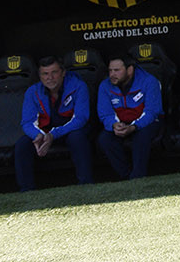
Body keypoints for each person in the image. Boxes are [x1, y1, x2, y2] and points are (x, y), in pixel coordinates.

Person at [15, 56, 93, 191]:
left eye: (54, 72)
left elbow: (80, 119)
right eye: (45, 74)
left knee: (77, 138)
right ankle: (27, 191)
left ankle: (86, 184)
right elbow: (27, 122)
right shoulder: (33, 92)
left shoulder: (78, 86)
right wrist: (38, 136)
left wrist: (53, 134)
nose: (49, 77)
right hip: (45, 133)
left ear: (63, 73)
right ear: (40, 76)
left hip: (71, 130)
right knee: (22, 144)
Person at [96, 53, 163, 181]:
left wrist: (134, 126)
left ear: (130, 70)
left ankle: (138, 177)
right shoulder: (105, 85)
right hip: (121, 122)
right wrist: (114, 125)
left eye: (117, 70)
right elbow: (105, 113)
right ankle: (126, 176)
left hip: (146, 122)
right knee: (105, 139)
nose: (112, 75)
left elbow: (151, 112)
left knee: (142, 135)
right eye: (110, 70)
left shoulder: (149, 81)